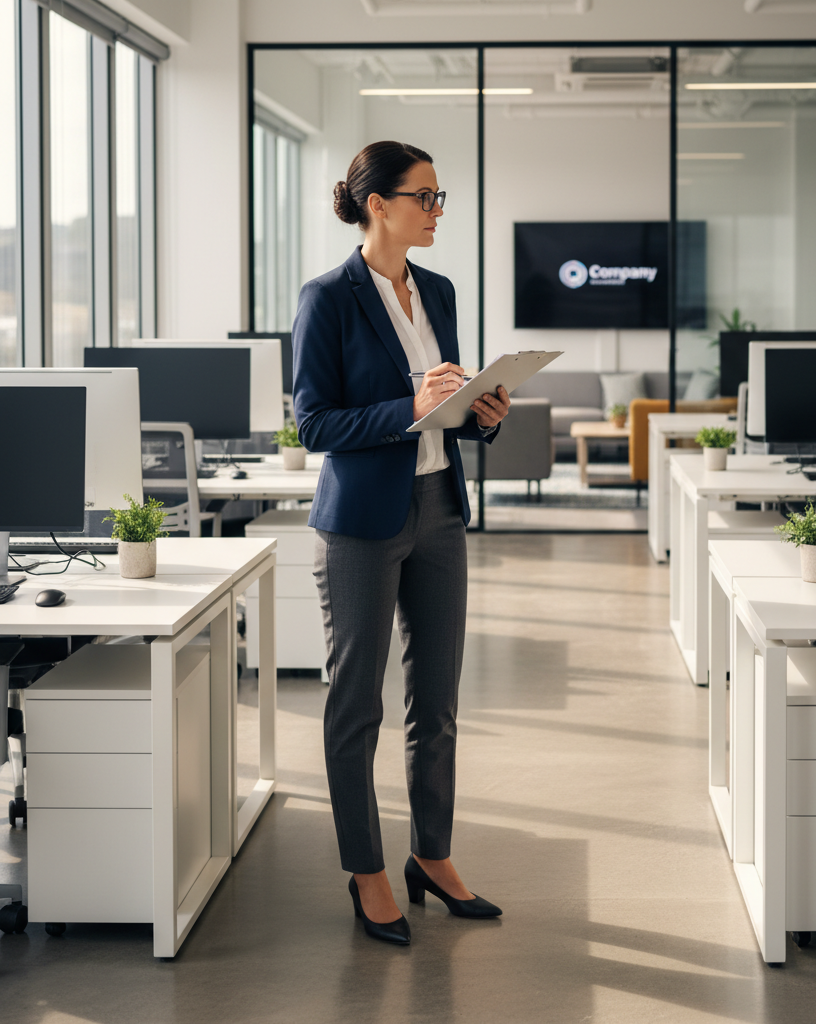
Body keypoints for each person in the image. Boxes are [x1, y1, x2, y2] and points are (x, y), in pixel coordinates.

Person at [292, 141, 510, 945]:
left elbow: (442, 402)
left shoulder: (440, 291)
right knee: (357, 706)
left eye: (439, 194)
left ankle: (433, 855)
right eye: (425, 196)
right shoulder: (328, 299)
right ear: (377, 203)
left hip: (438, 508)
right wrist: (407, 403)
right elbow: (314, 424)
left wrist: (481, 412)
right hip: (359, 523)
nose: (437, 209)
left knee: (439, 702)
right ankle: (367, 871)